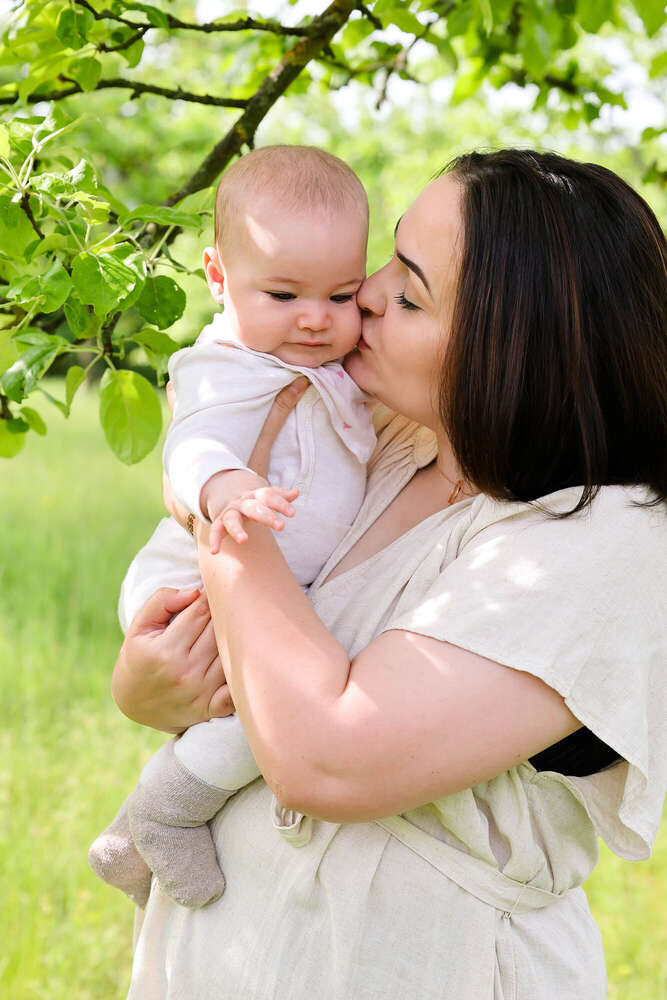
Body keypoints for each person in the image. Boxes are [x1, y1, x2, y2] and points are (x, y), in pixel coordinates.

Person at [110, 149, 666, 999]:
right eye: (387, 258)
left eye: (407, 293)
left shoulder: (604, 535)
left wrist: (220, 512)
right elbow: (249, 643)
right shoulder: (378, 437)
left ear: (512, 351)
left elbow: (326, 755)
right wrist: (152, 689)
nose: (361, 295)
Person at [88, 145, 375, 908]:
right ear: (218, 278)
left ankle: (136, 827)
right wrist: (225, 486)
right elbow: (192, 442)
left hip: (266, 589)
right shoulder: (226, 363)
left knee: (286, 707)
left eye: (342, 295)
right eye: (282, 294)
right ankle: (167, 815)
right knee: (273, 711)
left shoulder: (330, 363)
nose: (315, 319)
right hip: (187, 580)